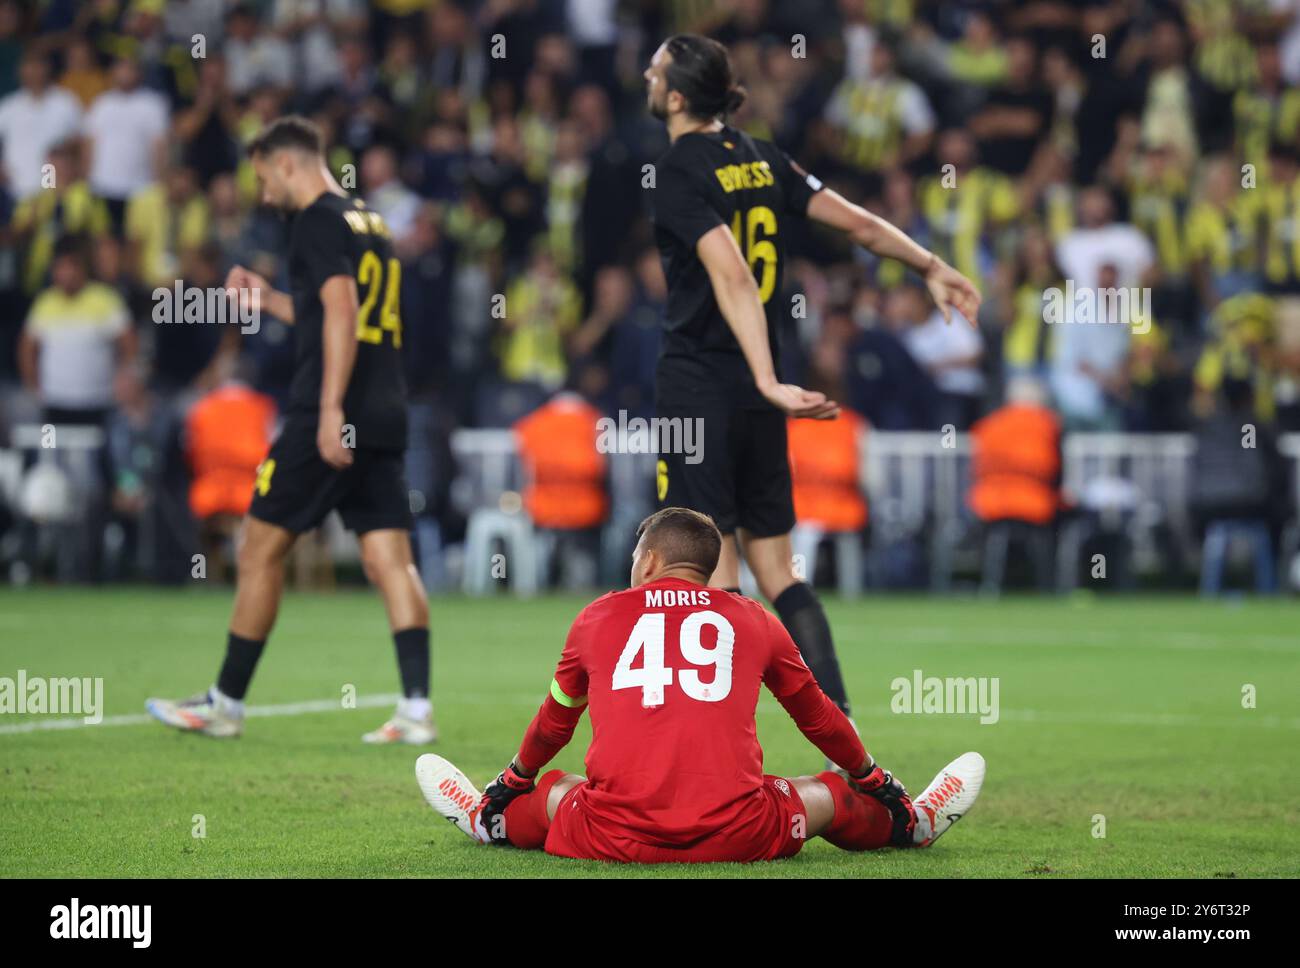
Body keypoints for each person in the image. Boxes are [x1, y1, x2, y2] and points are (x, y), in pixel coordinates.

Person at [639, 35, 981, 725]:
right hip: (764, 393)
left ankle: (724, 745)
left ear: (676, 96)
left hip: (704, 386)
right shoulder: (761, 157)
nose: (645, 74)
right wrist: (930, 265)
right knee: (779, 570)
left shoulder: (678, 169)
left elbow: (730, 271)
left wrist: (764, 376)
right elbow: (857, 223)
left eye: (655, 69)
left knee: (713, 575)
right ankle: (843, 727)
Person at [415, 507, 985, 864]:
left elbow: (555, 721)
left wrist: (513, 779)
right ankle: (914, 825)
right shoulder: (754, 618)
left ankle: (485, 822)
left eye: (637, 554)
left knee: (556, 791)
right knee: (830, 795)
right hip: (738, 833)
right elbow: (818, 716)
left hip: (616, 834)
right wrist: (872, 777)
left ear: (651, 560)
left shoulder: (596, 617)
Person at [146, 116, 434, 744]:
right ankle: (417, 710)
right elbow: (351, 312)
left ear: (286, 163)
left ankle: (226, 702)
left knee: (257, 547)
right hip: (385, 408)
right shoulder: (369, 221)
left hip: (329, 411)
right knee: (390, 559)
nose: (262, 191)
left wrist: (329, 410)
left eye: (261, 176)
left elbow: (340, 311)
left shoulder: (316, 221)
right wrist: (273, 300)